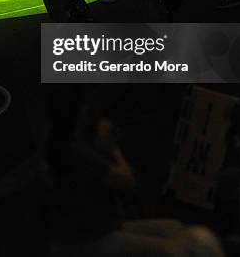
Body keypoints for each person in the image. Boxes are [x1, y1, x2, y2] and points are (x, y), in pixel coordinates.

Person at [45, 87, 225, 257]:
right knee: (172, 250)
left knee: (173, 228)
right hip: (88, 241)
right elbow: (127, 181)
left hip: (100, 229)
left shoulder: (65, 145)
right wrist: (112, 147)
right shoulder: (74, 152)